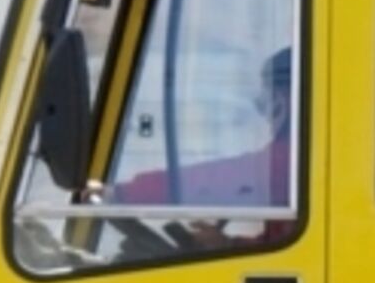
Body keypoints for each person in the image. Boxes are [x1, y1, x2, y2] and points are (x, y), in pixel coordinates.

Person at [111, 47, 294, 248]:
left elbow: (235, 179)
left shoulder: (295, 161)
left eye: (267, 100)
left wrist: (125, 194)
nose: (265, 113)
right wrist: (227, 244)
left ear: (283, 101)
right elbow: (277, 245)